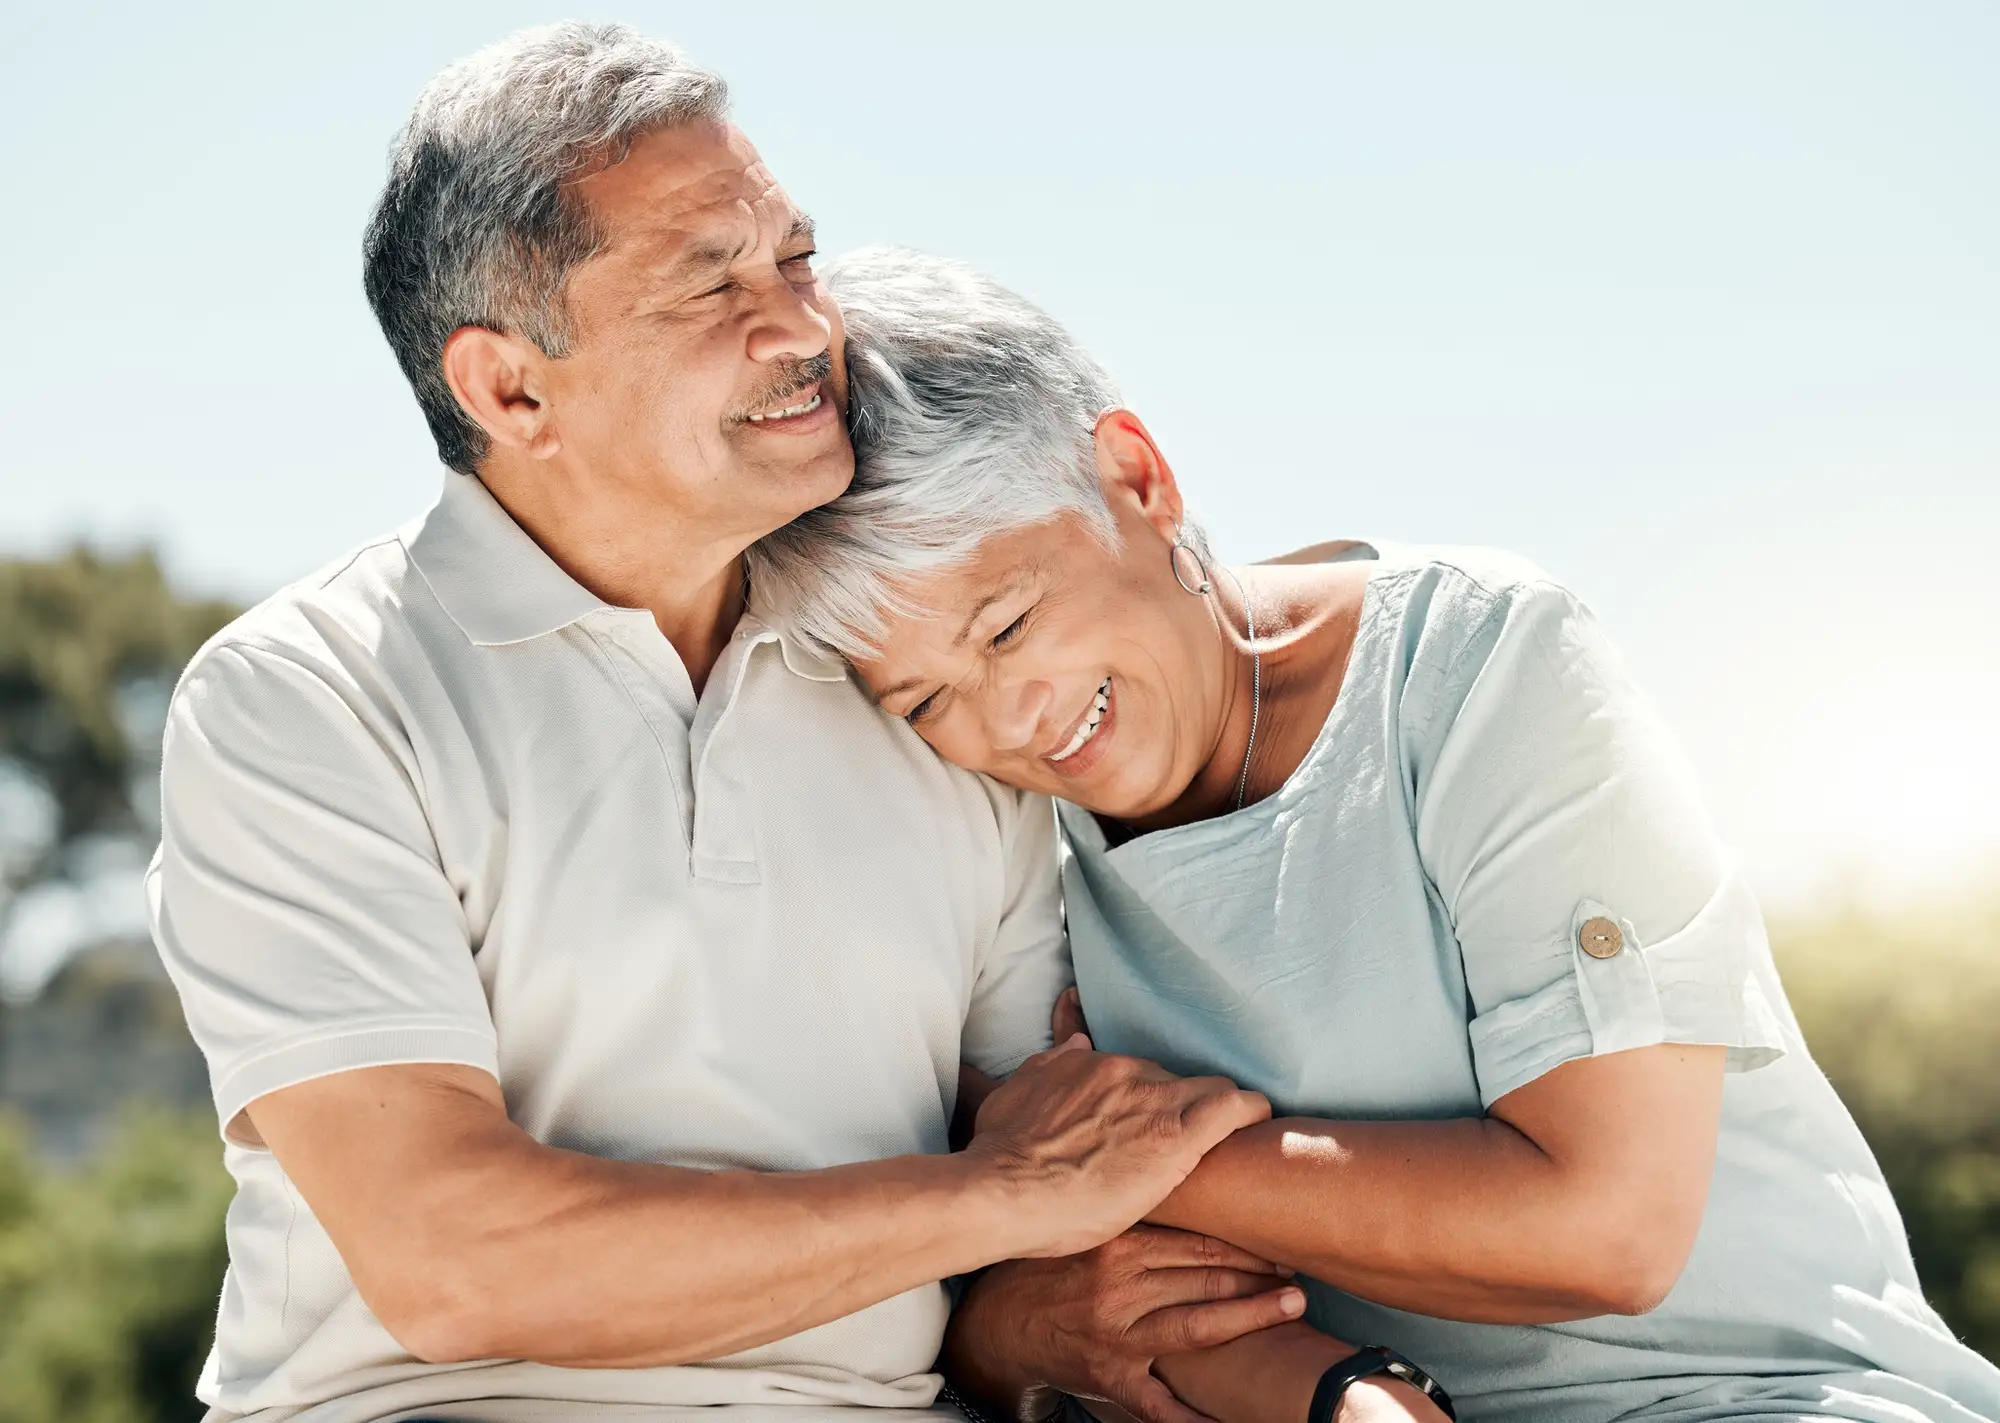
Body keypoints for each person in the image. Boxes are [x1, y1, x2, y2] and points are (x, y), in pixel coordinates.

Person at [144, 26, 1336, 1423]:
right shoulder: (304, 696)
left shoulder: (922, 687)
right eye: (711, 283)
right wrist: (989, 1197)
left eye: (795, 258)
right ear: (509, 388)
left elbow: (1075, 1158)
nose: (805, 328)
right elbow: (457, 1260)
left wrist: (1353, 1389)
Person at [748, 246, 2000, 1423]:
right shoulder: (994, 840)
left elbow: (1605, 1228)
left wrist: (1064, 1164)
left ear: (1137, 477)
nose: (1003, 719)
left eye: (1009, 624)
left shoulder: (1484, 662)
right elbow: (1078, 1292)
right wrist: (1015, 1278)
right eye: (921, 700)